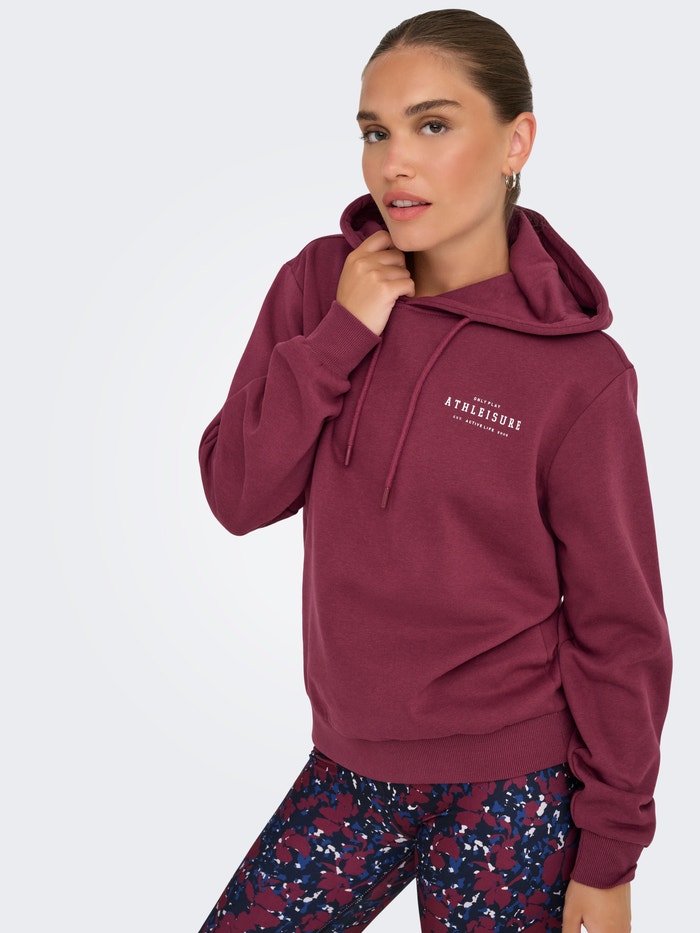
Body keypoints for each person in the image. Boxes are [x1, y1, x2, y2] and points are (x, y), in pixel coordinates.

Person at [196, 9, 671, 932]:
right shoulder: (319, 285)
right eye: (375, 132)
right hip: (348, 768)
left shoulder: (581, 374)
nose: (394, 163)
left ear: (516, 142)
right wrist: (342, 333)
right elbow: (237, 495)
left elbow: (621, 627)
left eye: (433, 125)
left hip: (515, 788)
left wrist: (611, 853)